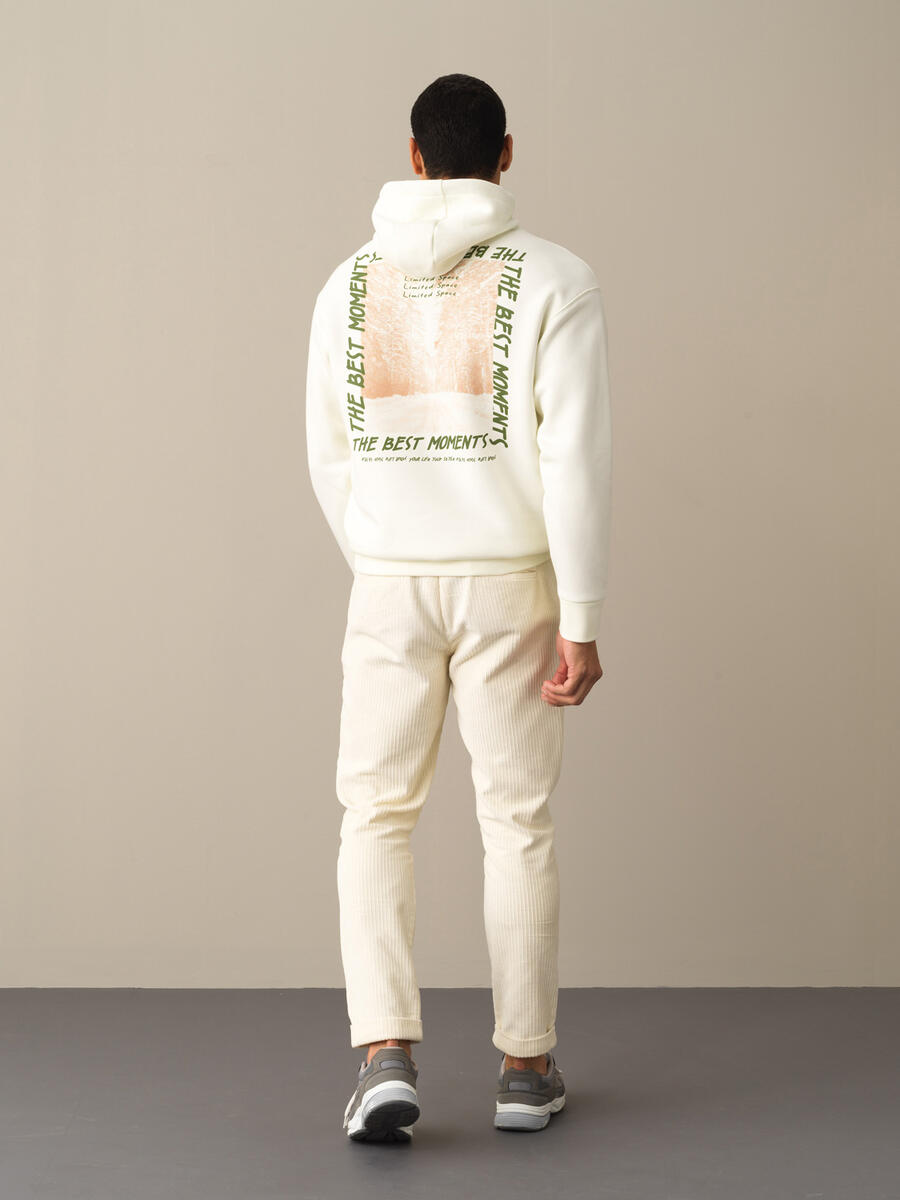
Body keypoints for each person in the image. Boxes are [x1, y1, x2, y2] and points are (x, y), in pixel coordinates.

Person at [305, 73, 612, 1141]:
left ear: (415, 155)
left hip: (389, 581)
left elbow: (330, 455)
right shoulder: (557, 280)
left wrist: (382, 554)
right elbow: (575, 457)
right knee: (516, 820)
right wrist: (581, 614)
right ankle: (524, 1067)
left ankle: (383, 1054)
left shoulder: (349, 284)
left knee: (375, 815)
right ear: (506, 153)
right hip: (510, 580)